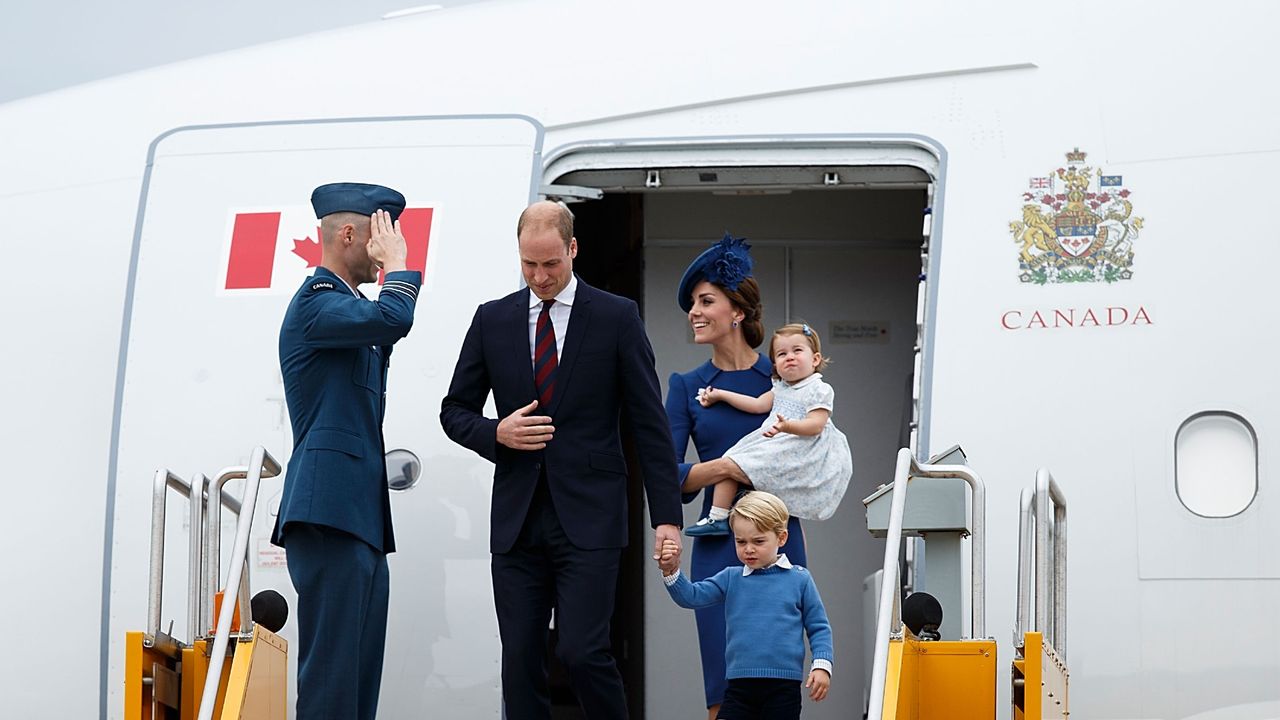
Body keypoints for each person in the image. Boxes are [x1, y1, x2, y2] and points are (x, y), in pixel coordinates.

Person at [439, 200, 683, 720]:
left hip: (590, 516)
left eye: (550, 264)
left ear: (573, 249)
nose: (540, 276)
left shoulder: (617, 317)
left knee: (581, 651)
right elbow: (454, 410)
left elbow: (649, 425)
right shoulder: (493, 319)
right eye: (529, 264)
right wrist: (496, 432)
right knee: (520, 660)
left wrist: (666, 518)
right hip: (517, 521)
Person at [270, 182, 421, 720]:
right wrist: (399, 268)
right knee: (332, 682)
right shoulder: (317, 305)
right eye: (383, 234)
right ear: (350, 234)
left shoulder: (346, 308)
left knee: (357, 684)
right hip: (329, 512)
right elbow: (394, 319)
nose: (390, 245)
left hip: (357, 516)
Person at [665, 233, 809, 719]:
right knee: (724, 690)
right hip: (717, 542)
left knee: (777, 676)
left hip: (780, 537)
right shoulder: (686, 386)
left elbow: (815, 452)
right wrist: (727, 467)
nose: (694, 311)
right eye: (692, 304)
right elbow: (668, 474)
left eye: (706, 301)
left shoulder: (787, 379)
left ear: (739, 311)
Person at [657, 491, 833, 720]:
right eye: (741, 541)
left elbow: (819, 627)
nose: (748, 548)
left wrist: (822, 666)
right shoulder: (731, 578)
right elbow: (691, 596)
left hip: (784, 689)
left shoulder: (800, 579)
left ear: (781, 538)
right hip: (738, 688)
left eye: (758, 541)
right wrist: (670, 570)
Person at [684, 323, 853, 535]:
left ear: (815, 359)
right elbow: (756, 404)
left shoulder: (818, 389)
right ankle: (718, 516)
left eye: (797, 350)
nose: (789, 357)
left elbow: (816, 425)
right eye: (782, 354)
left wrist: (787, 426)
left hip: (800, 448)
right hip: (775, 442)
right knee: (732, 459)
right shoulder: (781, 388)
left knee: (733, 464)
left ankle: (728, 518)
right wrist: (721, 395)